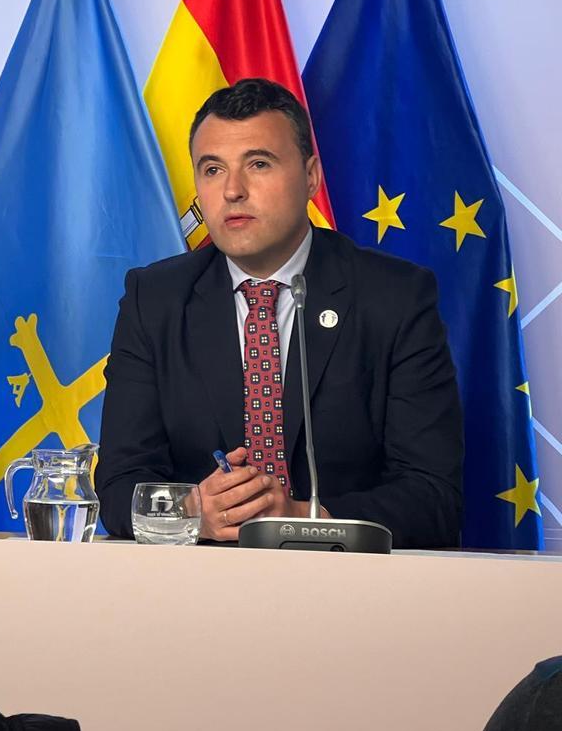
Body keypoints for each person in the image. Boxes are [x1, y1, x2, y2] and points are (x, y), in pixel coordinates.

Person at [96, 78, 463, 548]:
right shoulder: (155, 298)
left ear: (311, 177)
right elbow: (118, 487)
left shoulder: (395, 297)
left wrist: (303, 520)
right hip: (194, 593)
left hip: (354, 595)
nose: (232, 190)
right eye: (211, 169)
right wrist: (191, 511)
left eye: (259, 164)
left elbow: (435, 497)